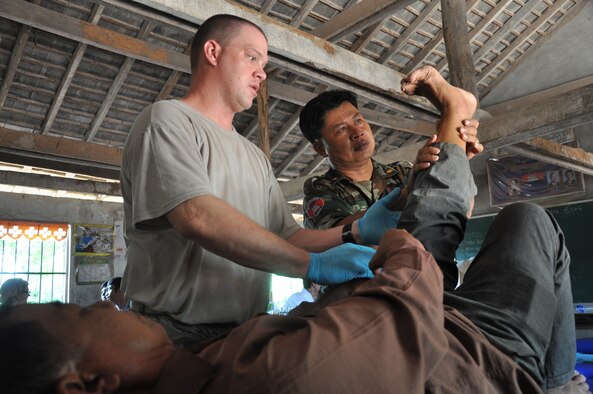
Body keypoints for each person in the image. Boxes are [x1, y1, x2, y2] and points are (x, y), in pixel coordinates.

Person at [2, 67, 588, 393]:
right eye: (81, 313)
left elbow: (401, 225)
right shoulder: (316, 193)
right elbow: (381, 280)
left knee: (486, 213)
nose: (358, 133)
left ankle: (454, 122)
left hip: (437, 313)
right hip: (433, 328)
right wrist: (376, 235)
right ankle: (455, 115)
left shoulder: (215, 356)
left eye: (361, 122)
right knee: (516, 221)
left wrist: (428, 176)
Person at [120, 14, 400, 345]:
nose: (262, 72)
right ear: (213, 52)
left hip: (243, 331)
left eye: (263, 63)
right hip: (171, 333)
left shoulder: (254, 155)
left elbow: (289, 236)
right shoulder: (168, 121)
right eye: (252, 57)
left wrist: (355, 230)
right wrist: (311, 265)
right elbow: (197, 216)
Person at [298, 89, 483, 290]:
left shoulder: (401, 171)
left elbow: (459, 212)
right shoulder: (320, 190)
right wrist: (405, 197)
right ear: (320, 148)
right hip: (360, 292)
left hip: (423, 274)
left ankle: (455, 111)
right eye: (341, 129)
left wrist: (456, 165)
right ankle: (455, 108)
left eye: (358, 120)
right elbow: (340, 235)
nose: (357, 132)